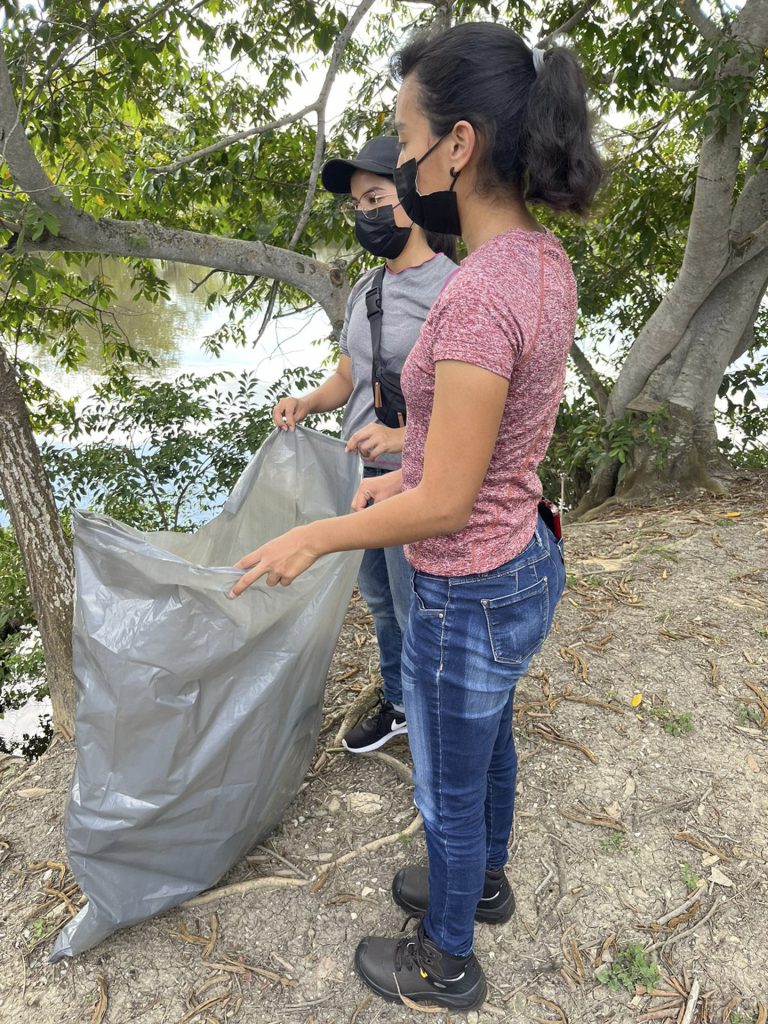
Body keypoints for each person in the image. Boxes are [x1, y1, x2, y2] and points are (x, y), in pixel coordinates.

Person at [232, 22, 602, 1013]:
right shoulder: (542, 261)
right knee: (490, 739)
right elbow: (485, 449)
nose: (399, 162)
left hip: (466, 583)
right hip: (523, 553)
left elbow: (448, 499)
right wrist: (394, 482)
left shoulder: (477, 294)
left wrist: (314, 536)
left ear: (459, 145)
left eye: (405, 138)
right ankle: (480, 883)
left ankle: (445, 961)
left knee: (444, 781)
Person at [272, 135, 457, 754]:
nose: (365, 215)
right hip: (359, 475)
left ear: (412, 195)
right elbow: (348, 376)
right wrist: (307, 401)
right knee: (378, 597)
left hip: (415, 479)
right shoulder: (365, 289)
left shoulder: (454, 291)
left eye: (376, 199)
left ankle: (433, 719)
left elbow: (472, 412)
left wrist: (402, 436)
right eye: (357, 205)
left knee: (414, 605)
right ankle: (399, 700)